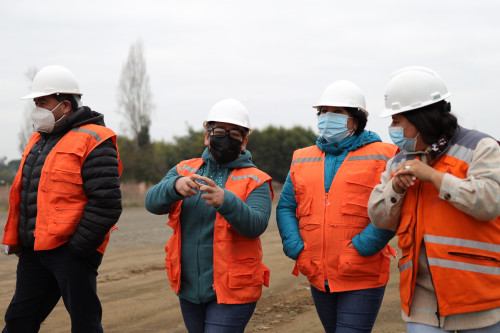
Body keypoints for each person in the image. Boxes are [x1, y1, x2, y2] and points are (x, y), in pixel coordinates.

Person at [368, 66, 500, 332]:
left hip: (478, 296)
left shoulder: (482, 148)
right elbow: (379, 218)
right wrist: (395, 188)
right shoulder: (397, 162)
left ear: (422, 119)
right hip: (421, 298)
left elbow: (489, 203)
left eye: (397, 120)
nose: (392, 128)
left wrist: (435, 177)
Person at [2, 65, 122, 333]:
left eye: (42, 102)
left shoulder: (96, 139)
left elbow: (106, 202)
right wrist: (21, 238)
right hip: (35, 252)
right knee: (18, 320)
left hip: (71, 252)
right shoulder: (38, 139)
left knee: (84, 323)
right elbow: (27, 192)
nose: (37, 109)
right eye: (35, 103)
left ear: (65, 105)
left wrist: (77, 250)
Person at [276, 80, 398, 332]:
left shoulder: (385, 155)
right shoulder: (302, 157)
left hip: (362, 272)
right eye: (323, 111)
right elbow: (287, 206)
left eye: (338, 112)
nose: (327, 117)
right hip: (317, 272)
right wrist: (296, 248)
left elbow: (391, 208)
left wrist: (362, 248)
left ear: (357, 119)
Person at [145, 98, 273, 333]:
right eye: (219, 131)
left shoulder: (256, 179)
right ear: (207, 136)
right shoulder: (184, 169)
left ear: (244, 142)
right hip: (190, 288)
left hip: (234, 289)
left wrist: (226, 201)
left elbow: (256, 224)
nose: (226, 137)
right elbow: (151, 202)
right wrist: (174, 186)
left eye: (234, 133)